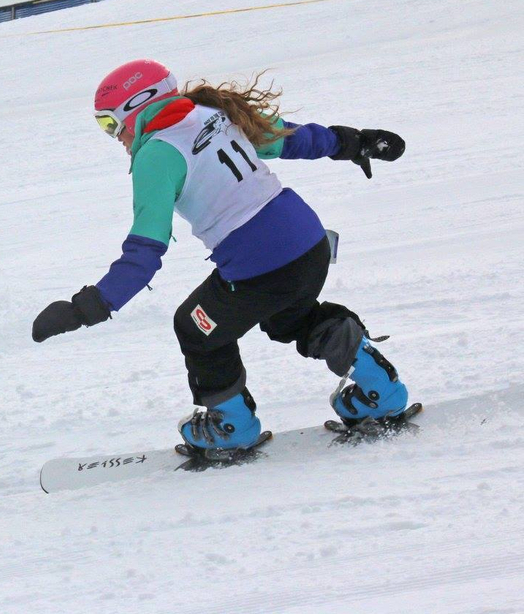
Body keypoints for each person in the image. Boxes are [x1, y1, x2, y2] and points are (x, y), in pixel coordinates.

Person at [32, 59, 410, 453]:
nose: (113, 137)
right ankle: (379, 390)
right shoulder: (214, 112)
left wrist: (86, 308)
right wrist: (354, 142)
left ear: (137, 108)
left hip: (260, 264)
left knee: (196, 329)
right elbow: (292, 139)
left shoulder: (157, 155)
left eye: (109, 124)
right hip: (307, 243)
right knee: (290, 319)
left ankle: (233, 427)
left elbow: (145, 251)